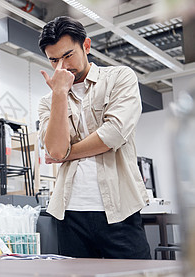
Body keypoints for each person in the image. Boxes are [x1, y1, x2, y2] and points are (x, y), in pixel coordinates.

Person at [37, 16, 151, 259]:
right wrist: (59, 93)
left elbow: (114, 133)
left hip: (120, 210)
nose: (62, 67)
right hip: (69, 213)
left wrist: (67, 154)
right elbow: (55, 151)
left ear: (86, 46)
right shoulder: (48, 101)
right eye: (54, 60)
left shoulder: (119, 78)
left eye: (68, 56)